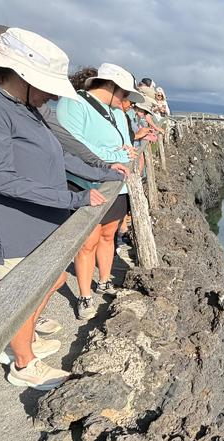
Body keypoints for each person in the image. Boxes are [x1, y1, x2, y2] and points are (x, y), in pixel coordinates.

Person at [0, 28, 124, 390]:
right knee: (22, 293)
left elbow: (61, 153)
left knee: (49, 280)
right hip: (5, 219)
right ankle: (23, 364)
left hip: (34, 216)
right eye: (49, 87)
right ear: (22, 75)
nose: (53, 96)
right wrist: (74, 199)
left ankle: (22, 343)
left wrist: (103, 172)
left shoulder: (21, 103)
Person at [56, 63, 143, 320]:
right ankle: (85, 296)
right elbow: (73, 144)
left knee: (108, 234)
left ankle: (104, 281)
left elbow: (126, 144)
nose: (126, 99)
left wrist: (125, 153)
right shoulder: (74, 103)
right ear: (110, 85)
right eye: (124, 93)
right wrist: (114, 154)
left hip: (116, 183)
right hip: (84, 183)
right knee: (87, 241)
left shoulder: (114, 111)